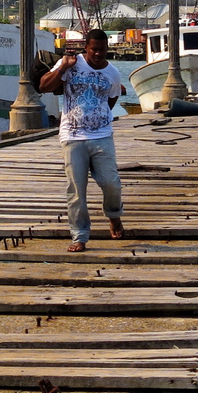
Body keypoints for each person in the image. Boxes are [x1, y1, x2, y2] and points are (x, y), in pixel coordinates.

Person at [39, 28, 125, 252]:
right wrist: (63, 68)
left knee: (111, 184)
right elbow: (43, 86)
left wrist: (98, 117)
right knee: (76, 190)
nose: (98, 54)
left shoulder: (113, 73)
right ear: (86, 47)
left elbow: (112, 97)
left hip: (102, 135)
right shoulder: (70, 63)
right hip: (72, 136)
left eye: (103, 50)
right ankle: (79, 235)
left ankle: (114, 215)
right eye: (94, 49)